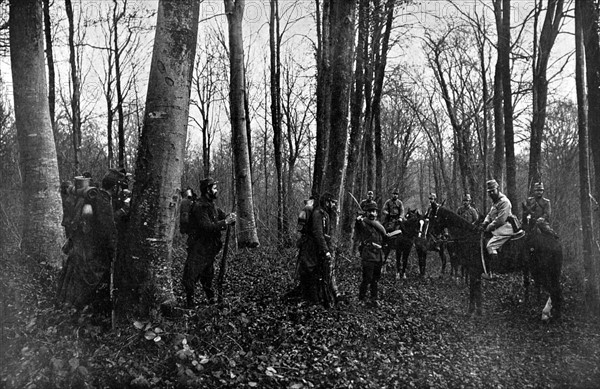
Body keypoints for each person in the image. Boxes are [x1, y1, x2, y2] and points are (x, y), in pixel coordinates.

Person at [56, 173, 117, 309]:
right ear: (115, 187)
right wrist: (113, 250)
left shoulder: (92, 197)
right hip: (92, 252)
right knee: (92, 283)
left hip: (81, 247)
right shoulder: (102, 200)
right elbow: (107, 230)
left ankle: (70, 309)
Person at [183, 177, 236, 307]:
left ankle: (211, 301)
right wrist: (225, 222)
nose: (216, 190)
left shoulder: (211, 205)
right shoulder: (199, 206)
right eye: (214, 188)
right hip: (198, 247)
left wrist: (230, 218)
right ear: (207, 190)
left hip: (209, 248)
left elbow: (222, 216)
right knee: (191, 276)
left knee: (208, 275)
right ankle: (189, 305)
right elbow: (207, 227)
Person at [297, 192, 338, 306]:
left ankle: (314, 299)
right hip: (311, 246)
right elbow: (318, 233)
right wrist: (326, 251)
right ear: (327, 202)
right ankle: (309, 299)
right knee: (309, 270)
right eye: (332, 203)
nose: (334, 205)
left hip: (315, 246)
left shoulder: (324, 214)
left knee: (315, 271)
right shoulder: (318, 214)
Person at [355, 202, 390, 307]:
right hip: (368, 255)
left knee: (375, 279)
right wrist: (358, 221)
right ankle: (361, 299)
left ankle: (373, 299)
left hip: (378, 255)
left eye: (374, 211)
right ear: (367, 212)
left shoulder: (378, 225)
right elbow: (358, 227)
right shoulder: (363, 223)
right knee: (367, 278)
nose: (372, 213)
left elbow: (383, 238)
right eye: (370, 211)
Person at [481, 179, 518, 279]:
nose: (491, 193)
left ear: (498, 189)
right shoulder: (495, 202)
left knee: (490, 246)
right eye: (489, 191)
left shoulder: (504, 202)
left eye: (493, 190)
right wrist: (485, 222)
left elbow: (501, 219)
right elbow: (490, 214)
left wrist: (488, 227)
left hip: (506, 227)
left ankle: (495, 272)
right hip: (498, 226)